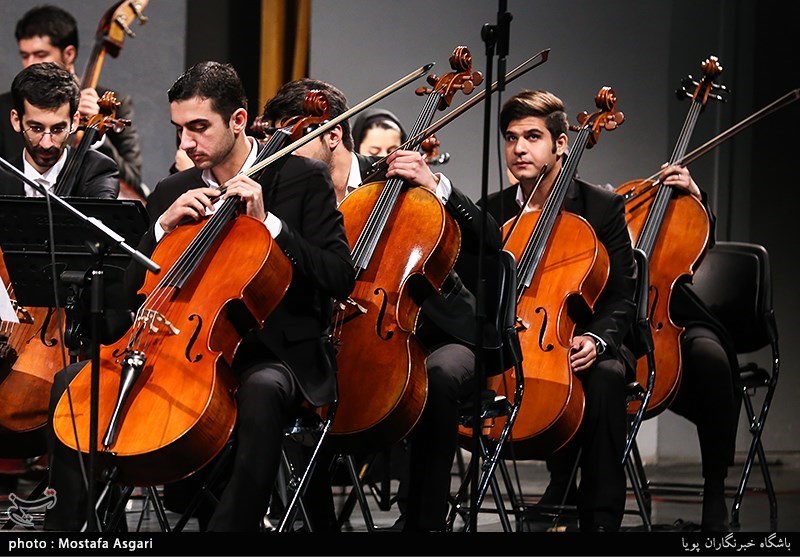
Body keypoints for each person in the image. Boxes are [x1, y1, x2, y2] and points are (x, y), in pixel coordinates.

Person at [43, 61, 354, 532]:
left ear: (238, 121)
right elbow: (133, 295)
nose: (186, 143)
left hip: (274, 352)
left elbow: (338, 276)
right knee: (73, 382)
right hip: (182, 348)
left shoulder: (301, 178)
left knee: (262, 389)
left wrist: (271, 225)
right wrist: (158, 229)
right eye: (180, 129)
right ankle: (81, 534)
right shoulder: (174, 189)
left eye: (198, 128)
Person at [262, 77, 504, 532]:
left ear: (332, 135)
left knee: (434, 380)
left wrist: (436, 185)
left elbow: (489, 240)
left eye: (291, 140)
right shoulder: (287, 195)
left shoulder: (392, 178)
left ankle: (423, 523)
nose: (279, 155)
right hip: (346, 338)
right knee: (284, 386)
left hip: (437, 333)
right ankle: (318, 527)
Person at [482, 89, 637, 532]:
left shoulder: (600, 207)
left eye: (533, 136)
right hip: (514, 339)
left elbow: (623, 296)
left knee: (605, 376)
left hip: (584, 337)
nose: (519, 149)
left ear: (561, 144)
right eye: (511, 138)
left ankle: (600, 517)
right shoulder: (491, 211)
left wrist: (597, 339)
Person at [0, 61, 119, 500]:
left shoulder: (97, 170)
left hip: (68, 327)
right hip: (7, 319)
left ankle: (70, 516)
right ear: (17, 120)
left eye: (58, 129)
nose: (47, 142)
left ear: (75, 120)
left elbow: (92, 253)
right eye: (35, 129)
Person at [654, 165, 741, 532]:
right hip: (619, 321)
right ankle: (569, 487)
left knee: (711, 358)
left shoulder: (647, 200)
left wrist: (694, 194)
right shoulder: (603, 200)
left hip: (676, 312)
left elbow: (703, 239)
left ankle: (715, 487)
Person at [0, 4, 145, 198]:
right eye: (25, 56)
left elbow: (133, 185)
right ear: (16, 120)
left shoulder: (112, 104)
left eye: (41, 55)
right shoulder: (5, 106)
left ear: (68, 54)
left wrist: (96, 135)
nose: (29, 64)